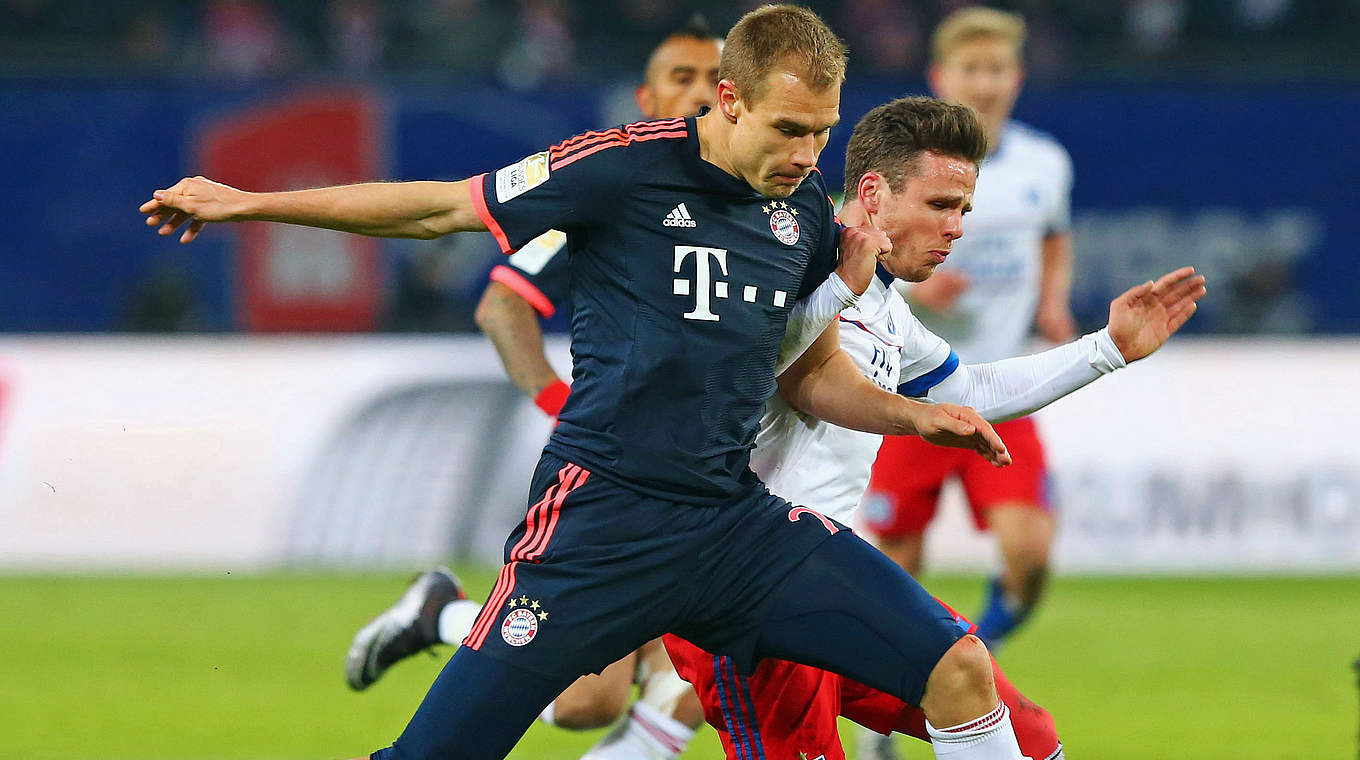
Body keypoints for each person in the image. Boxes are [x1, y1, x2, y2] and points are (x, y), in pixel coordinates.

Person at [140, 7, 1027, 760]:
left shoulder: (798, 214)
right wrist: (251, 203)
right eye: (788, 130)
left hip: (733, 527)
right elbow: (441, 208)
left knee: (958, 667)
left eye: (823, 131)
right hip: (600, 525)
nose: (807, 153)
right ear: (728, 99)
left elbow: (811, 371)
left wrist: (914, 417)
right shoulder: (619, 166)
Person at [663, 95, 1204, 760]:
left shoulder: (886, 310)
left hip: (820, 575)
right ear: (872, 192)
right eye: (941, 206)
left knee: (1018, 725)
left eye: (964, 211)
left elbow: (969, 388)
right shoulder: (785, 269)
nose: (956, 229)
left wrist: (1106, 349)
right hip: (745, 594)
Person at [344, 18, 722, 760]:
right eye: (682, 78)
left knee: (688, 681)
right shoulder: (613, 190)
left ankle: (442, 615)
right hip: (619, 478)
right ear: (645, 96)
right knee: (592, 700)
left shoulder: (764, 195)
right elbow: (503, 301)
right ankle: (446, 614)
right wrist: (560, 404)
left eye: (715, 81)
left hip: (715, 476)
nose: (700, 94)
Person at [865, 6, 1078, 654]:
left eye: (998, 68)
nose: (985, 84)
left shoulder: (1044, 163)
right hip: (911, 389)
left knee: (1030, 555)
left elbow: (1055, 236)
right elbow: (855, 249)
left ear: (1017, 76)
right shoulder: (901, 163)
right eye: (971, 69)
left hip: (1001, 387)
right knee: (896, 561)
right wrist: (915, 283)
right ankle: (887, 722)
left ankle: (971, 655)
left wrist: (1053, 299)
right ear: (940, 76)